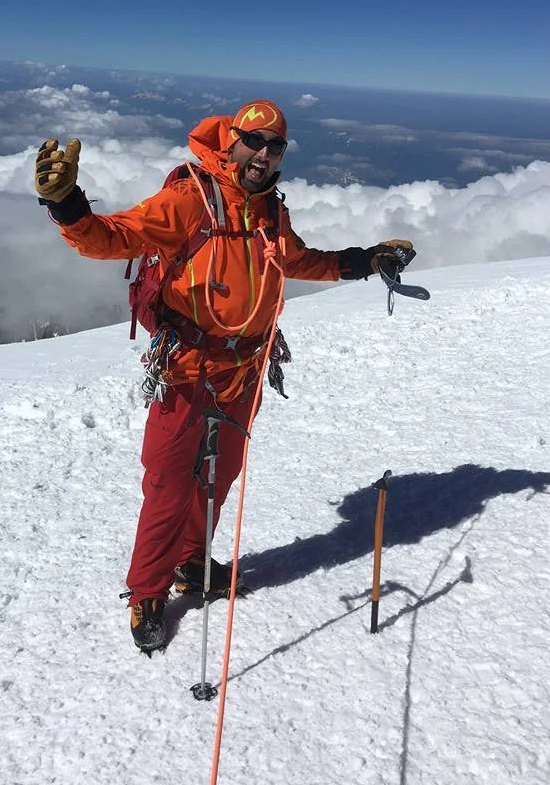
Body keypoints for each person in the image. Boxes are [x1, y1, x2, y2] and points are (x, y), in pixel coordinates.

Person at [34, 100, 414, 652]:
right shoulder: (191, 199)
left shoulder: (268, 212)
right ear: (230, 141)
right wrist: (66, 203)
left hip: (245, 369)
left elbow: (297, 261)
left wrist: (365, 258)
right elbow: (112, 237)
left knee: (220, 473)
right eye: (254, 142)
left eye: (275, 146)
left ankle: (190, 563)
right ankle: (148, 590)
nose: (264, 154)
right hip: (187, 367)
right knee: (168, 479)